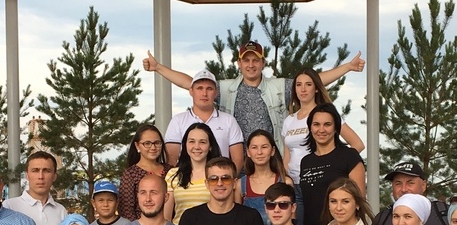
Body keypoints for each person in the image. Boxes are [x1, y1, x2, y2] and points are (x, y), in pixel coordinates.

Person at [142, 41, 365, 150]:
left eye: (255, 60)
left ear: (263, 62)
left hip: (272, 159)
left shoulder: (278, 86)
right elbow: (190, 83)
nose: (251, 65)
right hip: (239, 161)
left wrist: (347, 67)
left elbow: (314, 80)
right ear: (239, 63)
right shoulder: (225, 88)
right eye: (246, 60)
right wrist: (158, 68)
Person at [283, 68, 364, 225]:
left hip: (324, 182)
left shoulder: (325, 114)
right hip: (296, 184)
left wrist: (336, 163)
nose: (303, 89)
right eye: (299, 85)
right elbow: (287, 155)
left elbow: (357, 144)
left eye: (308, 84)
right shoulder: (289, 120)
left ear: (316, 88)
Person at [299, 104, 366, 225]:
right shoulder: (306, 161)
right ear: (310, 127)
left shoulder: (349, 156)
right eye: (316, 124)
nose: (321, 130)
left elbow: (359, 200)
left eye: (327, 124)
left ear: (336, 128)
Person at [164, 69, 244, 171]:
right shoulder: (178, 121)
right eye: (199, 88)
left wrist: (228, 178)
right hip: (186, 179)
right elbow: (171, 159)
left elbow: (238, 159)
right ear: (191, 91)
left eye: (209, 89)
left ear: (216, 92)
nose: (204, 93)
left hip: (220, 179)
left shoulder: (229, 120)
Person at [371, 161, 456, 225]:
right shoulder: (382, 219)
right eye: (398, 183)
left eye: (410, 183)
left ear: (423, 185)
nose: (404, 189)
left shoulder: (445, 213)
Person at [164, 122, 222, 225]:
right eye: (191, 141)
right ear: (185, 145)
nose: (196, 146)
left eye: (202, 142)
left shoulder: (220, 174)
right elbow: (166, 217)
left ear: (210, 146)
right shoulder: (173, 174)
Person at [237, 129, 291, 225]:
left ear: (272, 151)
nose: (259, 152)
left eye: (264, 147)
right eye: (254, 147)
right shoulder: (241, 185)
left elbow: (292, 221)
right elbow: (237, 221)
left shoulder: (285, 182)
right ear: (248, 152)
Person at [118, 124, 172, 221]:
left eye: (157, 143)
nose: (153, 147)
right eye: (147, 143)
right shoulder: (130, 174)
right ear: (137, 145)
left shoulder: (171, 171)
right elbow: (126, 212)